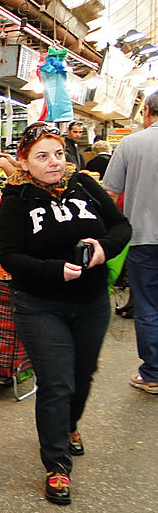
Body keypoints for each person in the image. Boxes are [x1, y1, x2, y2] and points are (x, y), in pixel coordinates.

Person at [0, 121, 131, 505]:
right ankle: (57, 465)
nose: (54, 162)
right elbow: (10, 257)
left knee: (83, 375)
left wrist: (103, 249)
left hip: (91, 302)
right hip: (40, 305)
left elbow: (121, 226)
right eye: (42, 156)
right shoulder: (15, 200)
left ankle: (70, 425)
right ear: (24, 161)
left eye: (58, 153)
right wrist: (54, 270)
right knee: (56, 382)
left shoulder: (84, 185)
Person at [102, 91, 158, 395]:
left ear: (146, 111)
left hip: (143, 239)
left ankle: (153, 374)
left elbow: (109, 192)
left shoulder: (131, 143)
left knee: (148, 306)